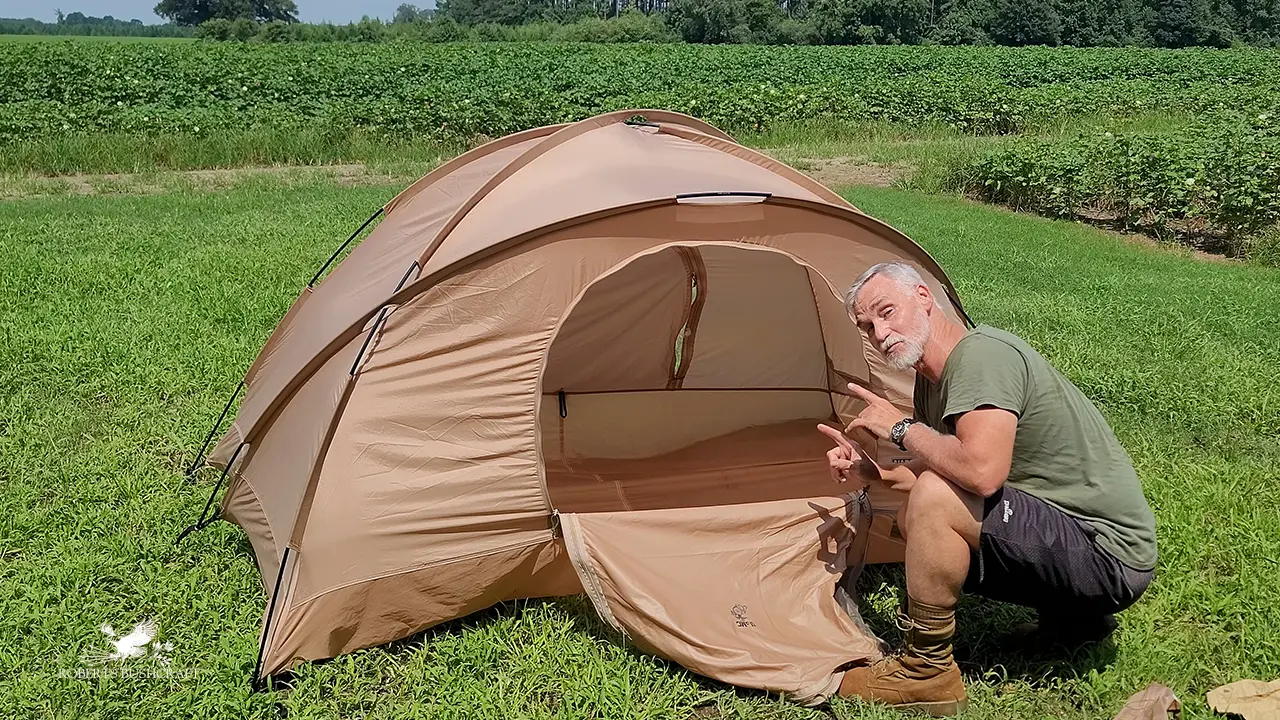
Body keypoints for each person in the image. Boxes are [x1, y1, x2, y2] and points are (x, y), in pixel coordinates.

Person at [818, 261, 1157, 717]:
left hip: (1108, 555)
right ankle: (1075, 622)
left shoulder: (980, 357)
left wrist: (899, 427)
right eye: (867, 325)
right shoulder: (931, 381)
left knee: (930, 505)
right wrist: (871, 473)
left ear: (923, 298)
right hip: (1081, 540)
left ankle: (926, 671)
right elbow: (940, 468)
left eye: (886, 311)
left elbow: (978, 475)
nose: (879, 332)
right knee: (923, 503)